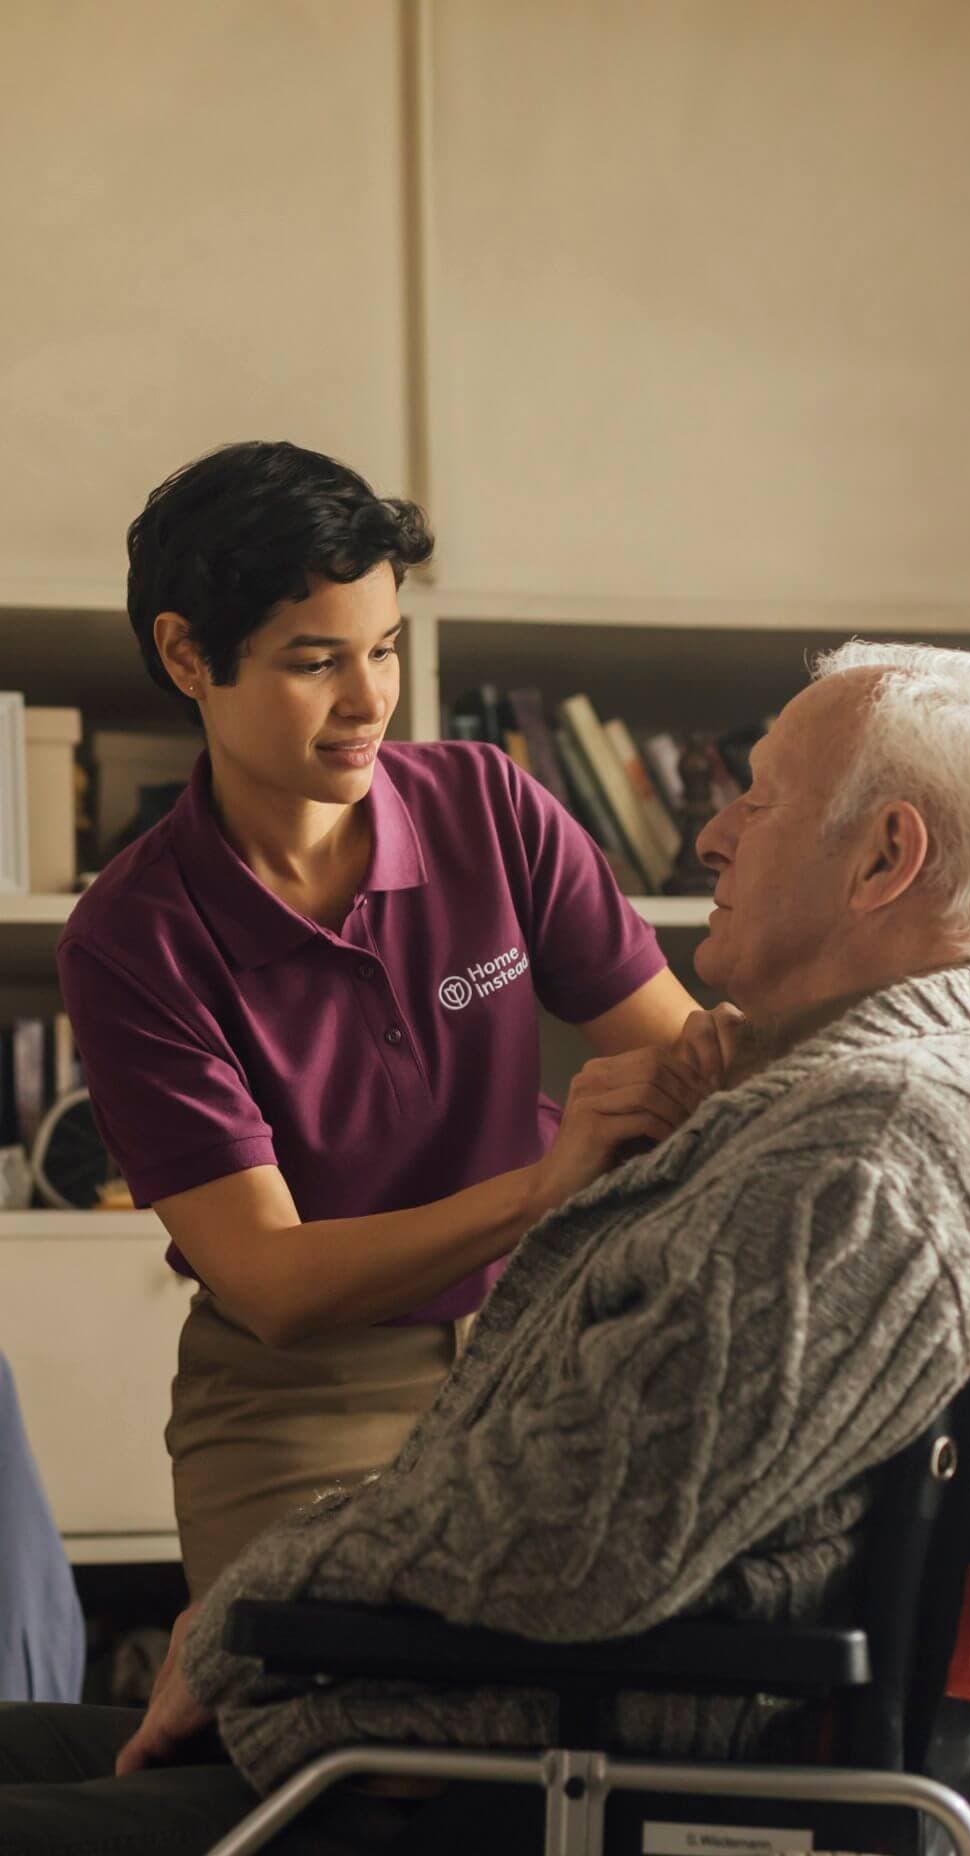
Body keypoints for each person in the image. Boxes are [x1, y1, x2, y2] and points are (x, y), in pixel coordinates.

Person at [2, 640, 970, 1852]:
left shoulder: (868, 1157)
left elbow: (575, 1542)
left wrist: (242, 1605)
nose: (709, 835)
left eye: (759, 795)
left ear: (884, 857)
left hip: (509, 1766)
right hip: (501, 1704)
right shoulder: (947, 1085)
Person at [56, 441, 723, 1599]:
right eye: (316, 662)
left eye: (384, 649)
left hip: (548, 1337)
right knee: (324, 1754)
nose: (369, 700)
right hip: (304, 1394)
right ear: (185, 655)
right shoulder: (131, 938)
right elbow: (273, 1280)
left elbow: (689, 1064)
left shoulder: (489, 805)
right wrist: (540, 1186)